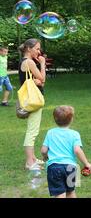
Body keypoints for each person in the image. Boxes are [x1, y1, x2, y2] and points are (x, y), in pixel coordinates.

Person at [41, 106, 91, 198]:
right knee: (71, 192)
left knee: (60, 194)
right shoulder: (75, 134)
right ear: (71, 119)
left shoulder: (50, 132)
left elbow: (44, 150)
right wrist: (86, 163)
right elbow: (77, 150)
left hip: (54, 167)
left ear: (54, 119)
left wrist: (45, 157)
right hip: (70, 167)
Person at [18, 39, 46, 171]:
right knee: (32, 131)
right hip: (33, 100)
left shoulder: (24, 62)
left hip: (30, 100)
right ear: (29, 49)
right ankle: (29, 162)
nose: (38, 51)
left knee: (33, 130)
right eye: (37, 48)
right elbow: (43, 78)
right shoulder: (29, 62)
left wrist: (38, 81)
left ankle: (33, 158)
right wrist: (43, 63)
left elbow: (39, 81)